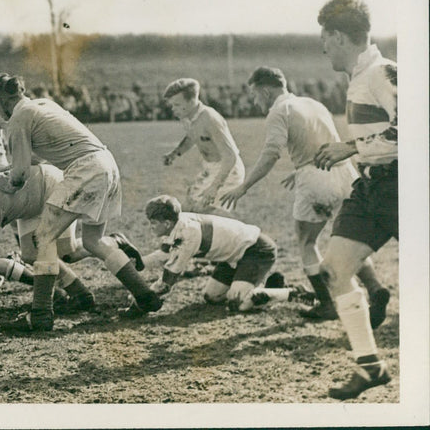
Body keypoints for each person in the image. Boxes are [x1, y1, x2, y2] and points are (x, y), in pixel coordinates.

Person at [0, 74, 158, 332]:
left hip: (85, 169)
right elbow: (39, 156)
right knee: (93, 242)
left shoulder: (19, 117)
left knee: (42, 237)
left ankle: (40, 314)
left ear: (4, 97)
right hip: (107, 164)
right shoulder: (43, 104)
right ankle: (145, 295)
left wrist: (6, 182)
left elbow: (20, 174)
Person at [220, 67, 389, 324]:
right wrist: (299, 170)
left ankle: (327, 303)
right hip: (345, 174)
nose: (255, 101)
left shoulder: (279, 111)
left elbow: (271, 154)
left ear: (265, 90)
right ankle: (375, 289)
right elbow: (324, 144)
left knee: (306, 242)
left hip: (317, 180)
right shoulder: (313, 103)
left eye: (255, 95)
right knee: (350, 241)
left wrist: (244, 186)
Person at [311, 0, 397, 399]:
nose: (323, 47)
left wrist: (352, 148)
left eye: (325, 38)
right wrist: (358, 151)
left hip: (404, 186)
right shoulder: (359, 77)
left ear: (340, 36)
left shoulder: (382, 72)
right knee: (333, 270)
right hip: (372, 188)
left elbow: (415, 126)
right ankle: (370, 366)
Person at [0, 164, 105, 329]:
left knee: (61, 251)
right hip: (30, 203)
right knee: (29, 254)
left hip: (51, 186)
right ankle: (81, 295)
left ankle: (45, 312)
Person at [141, 195, 306, 317]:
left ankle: (293, 293)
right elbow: (162, 255)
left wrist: (140, 299)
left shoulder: (187, 235)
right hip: (233, 255)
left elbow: (168, 280)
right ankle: (271, 285)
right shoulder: (177, 224)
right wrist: (134, 264)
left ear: (167, 223)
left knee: (240, 304)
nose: (150, 227)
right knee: (212, 297)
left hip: (256, 250)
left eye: (153, 223)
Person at [162, 78, 245, 216]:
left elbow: (230, 157)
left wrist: (214, 187)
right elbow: (191, 137)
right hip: (210, 168)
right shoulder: (187, 117)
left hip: (228, 170)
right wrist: (175, 154)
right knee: (188, 209)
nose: (173, 109)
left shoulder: (210, 119)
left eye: (176, 105)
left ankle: (239, 234)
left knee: (204, 213)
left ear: (191, 102)